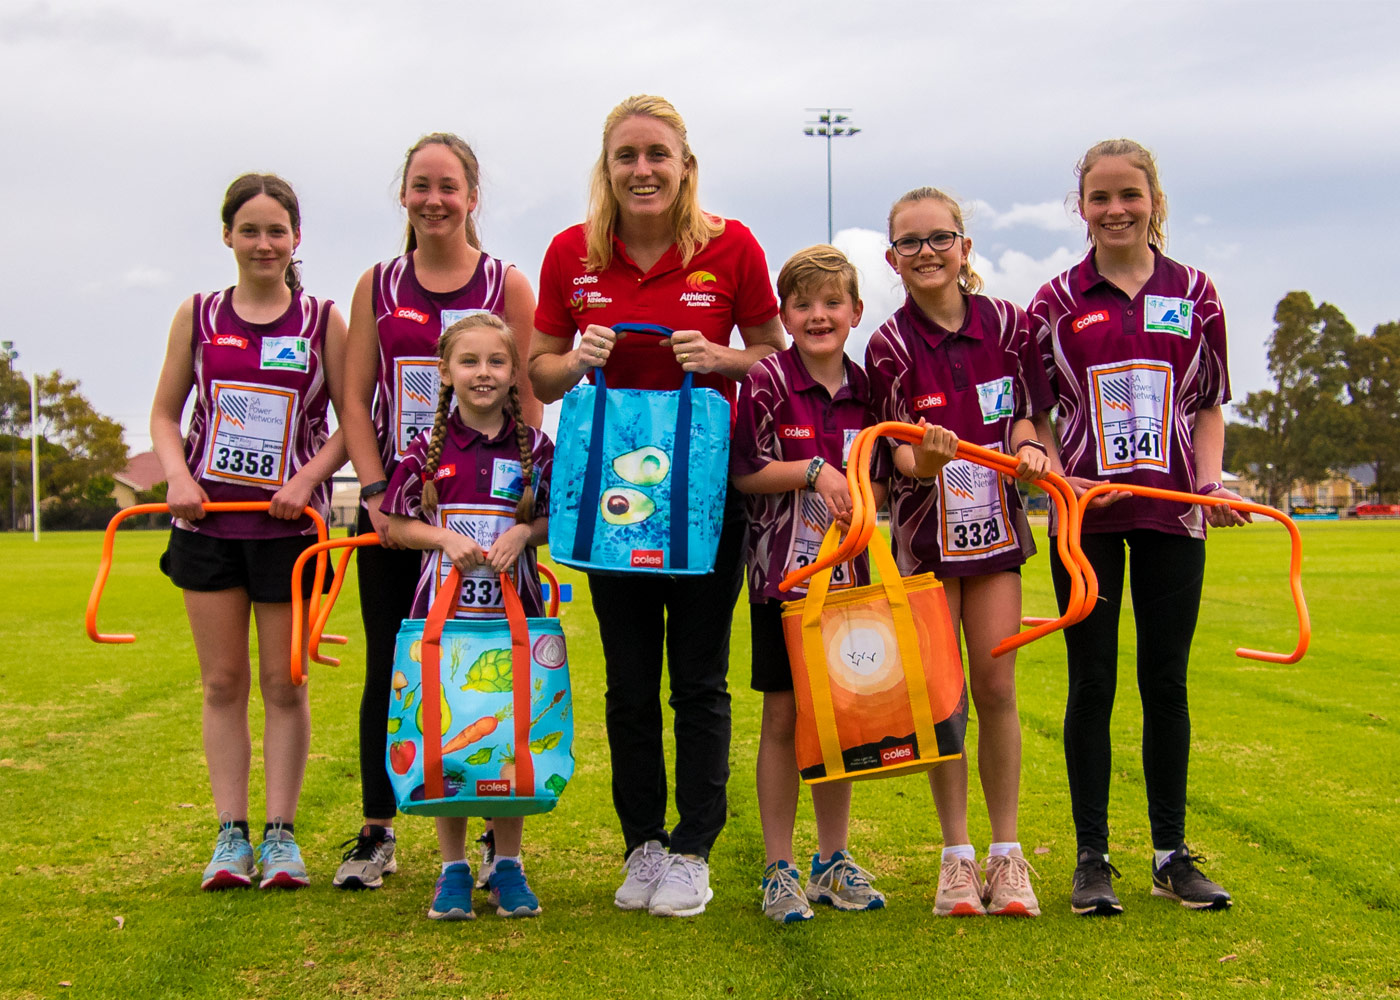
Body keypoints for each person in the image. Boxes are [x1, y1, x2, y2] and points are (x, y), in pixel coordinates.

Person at [529, 94, 784, 917]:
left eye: (657, 155)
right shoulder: (572, 254)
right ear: (607, 168)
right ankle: (642, 844)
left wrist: (721, 356)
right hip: (611, 503)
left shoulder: (732, 246)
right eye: (626, 156)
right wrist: (573, 360)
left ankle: (692, 849)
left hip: (706, 497)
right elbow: (538, 373)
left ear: (684, 165)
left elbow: (777, 360)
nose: (643, 170)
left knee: (699, 681)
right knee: (630, 683)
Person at [1028, 139, 1248, 916]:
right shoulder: (1054, 302)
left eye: (1130, 194)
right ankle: (1093, 859)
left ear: (1154, 198)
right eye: (1100, 197)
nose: (1116, 209)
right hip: (1085, 520)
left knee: (1166, 682)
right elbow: (1038, 413)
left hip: (1173, 516)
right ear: (1079, 205)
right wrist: (1057, 472)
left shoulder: (1197, 292)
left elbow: (1209, 404)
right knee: (1092, 681)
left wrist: (1210, 481)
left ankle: (1169, 854)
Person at [332, 133, 540, 890]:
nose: (434, 199)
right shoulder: (378, 285)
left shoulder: (506, 284)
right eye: (421, 185)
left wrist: (512, 500)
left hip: (484, 519)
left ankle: (493, 833)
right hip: (398, 511)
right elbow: (357, 396)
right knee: (392, 665)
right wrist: (379, 494)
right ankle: (377, 829)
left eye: (448, 186)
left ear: (472, 197)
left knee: (484, 669)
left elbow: (528, 401)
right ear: (403, 195)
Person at [149, 173, 347, 891]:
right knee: (223, 683)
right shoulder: (198, 315)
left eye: (277, 231)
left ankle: (282, 837)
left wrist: (305, 480)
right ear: (227, 235)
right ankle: (230, 836)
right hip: (208, 526)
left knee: (285, 684)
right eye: (250, 230)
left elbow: (350, 424)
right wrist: (177, 476)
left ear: (296, 239)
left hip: (290, 535)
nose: (264, 243)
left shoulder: (323, 319)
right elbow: (166, 413)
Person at [865, 187, 1054, 917]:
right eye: (910, 243)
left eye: (939, 238)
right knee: (943, 702)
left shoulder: (1009, 325)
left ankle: (1007, 855)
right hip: (925, 543)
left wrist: (1031, 446)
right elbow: (894, 459)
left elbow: (1028, 417)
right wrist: (928, 462)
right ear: (892, 258)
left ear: (965, 247)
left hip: (998, 537)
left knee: (997, 690)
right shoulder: (887, 345)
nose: (926, 253)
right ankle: (956, 857)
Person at [731, 245, 891, 923]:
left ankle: (832, 859)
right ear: (785, 314)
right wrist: (813, 471)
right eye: (803, 304)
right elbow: (744, 473)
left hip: (852, 587)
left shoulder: (872, 385)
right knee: (782, 717)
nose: (819, 315)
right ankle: (779, 866)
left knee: (843, 722)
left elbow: (884, 475)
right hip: (782, 583)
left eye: (833, 302)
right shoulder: (767, 379)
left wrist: (860, 491)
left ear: (856, 311)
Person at [381, 312, 552, 920]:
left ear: (513, 376)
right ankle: (452, 868)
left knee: (508, 740)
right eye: (470, 362)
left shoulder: (536, 447)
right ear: (447, 374)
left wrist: (525, 534)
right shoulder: (424, 452)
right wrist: (441, 537)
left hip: (514, 625)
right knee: (443, 742)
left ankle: (508, 865)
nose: (484, 373)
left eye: (497, 362)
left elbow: (557, 519)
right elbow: (390, 524)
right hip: (441, 626)